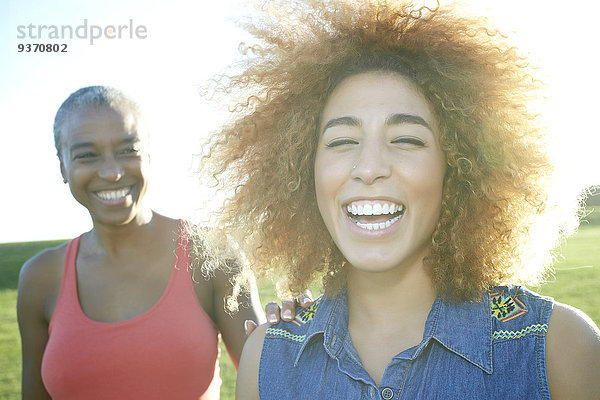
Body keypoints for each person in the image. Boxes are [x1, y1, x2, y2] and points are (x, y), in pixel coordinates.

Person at [196, 1, 600, 399]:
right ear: (303, 172)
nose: (369, 167)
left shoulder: (557, 349)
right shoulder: (267, 359)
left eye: (407, 139)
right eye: (341, 141)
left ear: (458, 169)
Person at [16, 86, 267, 399]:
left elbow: (271, 383)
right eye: (87, 155)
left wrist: (301, 331)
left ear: (148, 154)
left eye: (127, 150)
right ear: (63, 166)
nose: (112, 171)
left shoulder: (210, 254)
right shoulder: (40, 278)